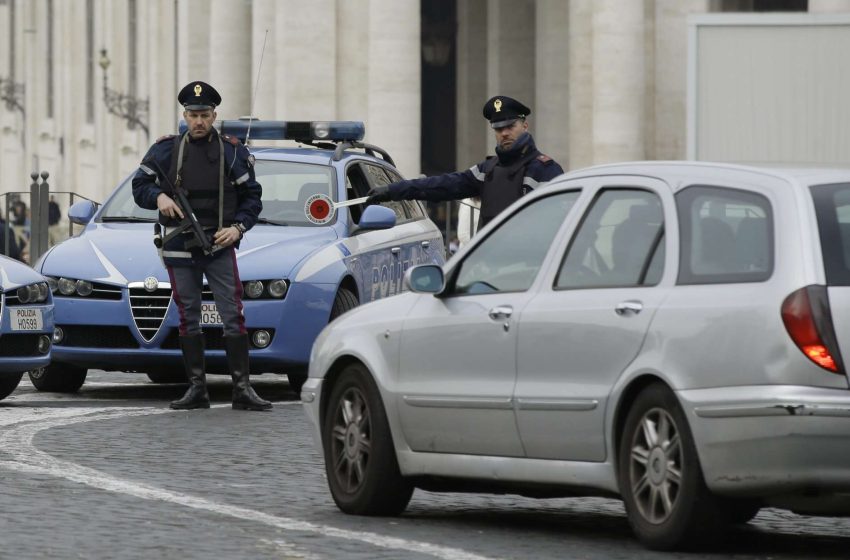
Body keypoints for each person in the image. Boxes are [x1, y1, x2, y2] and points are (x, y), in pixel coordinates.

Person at [132, 81, 270, 411]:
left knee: (232, 315)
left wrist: (238, 229)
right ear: (184, 115)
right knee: (187, 317)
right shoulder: (165, 150)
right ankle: (197, 389)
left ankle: (242, 388)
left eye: (205, 115)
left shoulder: (232, 151)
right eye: (193, 115)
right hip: (180, 245)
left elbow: (253, 198)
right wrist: (160, 196)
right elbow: (139, 186)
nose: (198, 121)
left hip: (220, 245)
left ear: (214, 116)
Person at [366, 95, 564, 232]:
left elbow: (560, 220)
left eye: (510, 126)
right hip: (490, 264)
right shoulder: (487, 171)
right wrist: (393, 190)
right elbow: (441, 185)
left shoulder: (545, 170)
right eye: (498, 128)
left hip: (531, 268)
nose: (504, 133)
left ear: (525, 126)